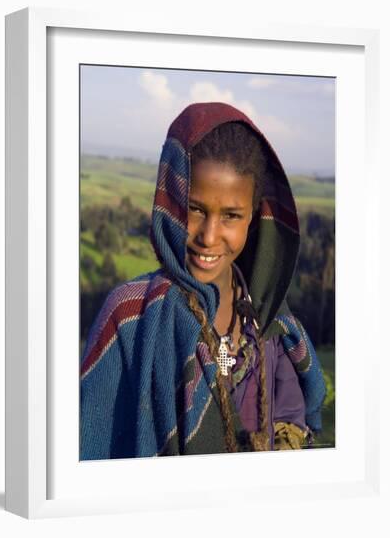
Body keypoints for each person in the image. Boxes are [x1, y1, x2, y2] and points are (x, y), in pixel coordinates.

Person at [80, 102, 326, 459]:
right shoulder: (131, 316)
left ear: (252, 218)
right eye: (195, 209)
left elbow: (290, 419)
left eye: (231, 215)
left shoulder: (271, 324)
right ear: (172, 200)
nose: (209, 237)